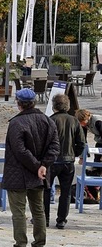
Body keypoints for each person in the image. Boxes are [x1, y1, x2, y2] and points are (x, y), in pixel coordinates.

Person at [1, 88, 59, 247]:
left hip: (19, 174)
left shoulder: (16, 123)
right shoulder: (47, 121)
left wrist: (38, 166)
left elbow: (20, 151)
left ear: (19, 103)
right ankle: (38, 246)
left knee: (19, 212)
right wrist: (43, 166)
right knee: (38, 210)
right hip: (37, 174)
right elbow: (55, 147)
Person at [45, 94, 85, 229]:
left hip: (52, 161)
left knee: (46, 189)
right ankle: (61, 219)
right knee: (66, 192)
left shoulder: (50, 120)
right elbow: (81, 143)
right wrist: (74, 154)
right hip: (68, 161)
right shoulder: (74, 121)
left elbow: (44, 142)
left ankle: (44, 218)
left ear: (54, 106)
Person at [75, 109, 102, 202]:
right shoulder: (85, 124)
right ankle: (95, 190)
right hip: (99, 142)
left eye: (82, 122)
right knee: (96, 166)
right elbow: (83, 140)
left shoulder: (97, 121)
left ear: (86, 118)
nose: (82, 124)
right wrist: (82, 157)